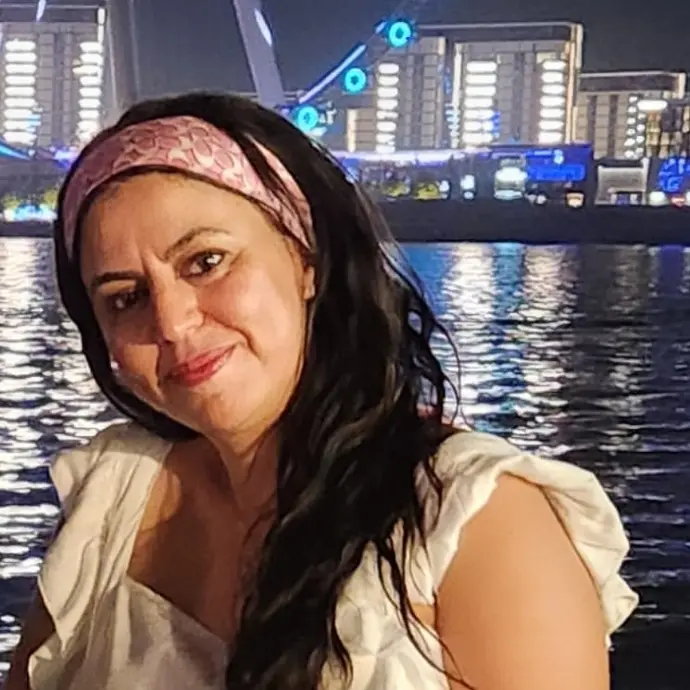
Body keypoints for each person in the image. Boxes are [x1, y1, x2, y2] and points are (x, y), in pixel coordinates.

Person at [5, 93, 637, 690]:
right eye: (126, 298)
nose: (172, 323)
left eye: (206, 261)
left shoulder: (481, 528)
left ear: (307, 258)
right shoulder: (113, 497)